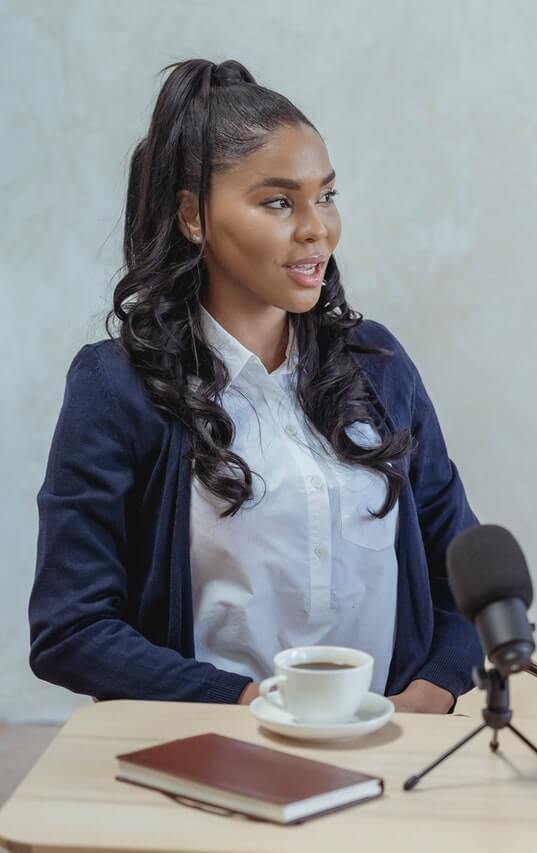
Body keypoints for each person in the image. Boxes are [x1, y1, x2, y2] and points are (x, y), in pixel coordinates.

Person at [29, 59, 480, 713]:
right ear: (193, 216)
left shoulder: (377, 365)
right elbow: (71, 629)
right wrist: (243, 704)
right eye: (278, 201)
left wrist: (433, 691)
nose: (316, 228)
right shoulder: (117, 387)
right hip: (212, 757)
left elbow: (462, 565)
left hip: (389, 753)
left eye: (325, 195)